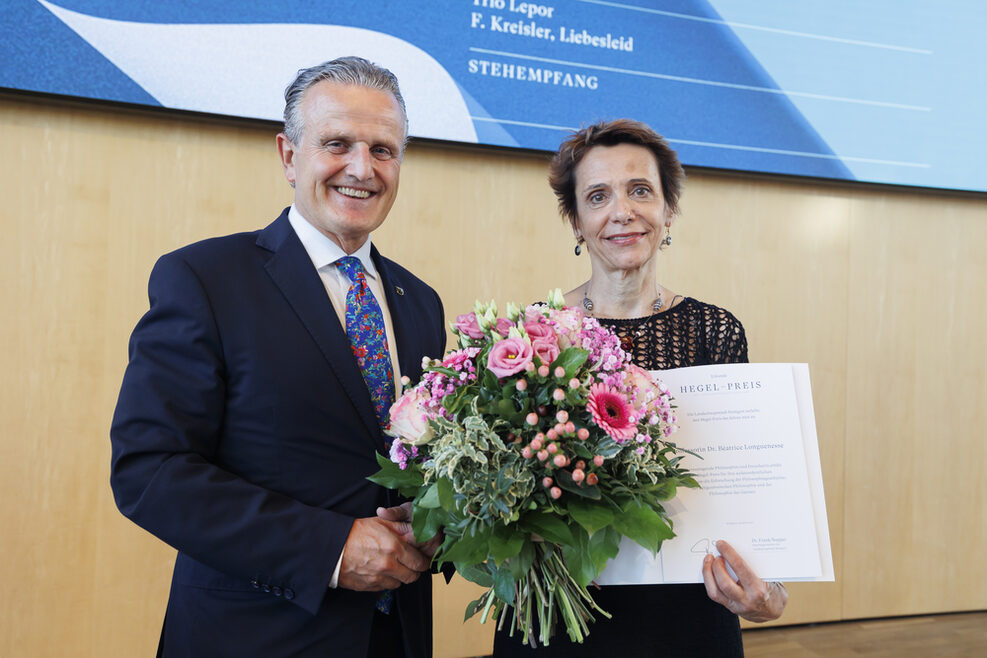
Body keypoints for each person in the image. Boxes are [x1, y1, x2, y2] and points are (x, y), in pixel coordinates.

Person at [110, 57, 446, 657]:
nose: (362, 169)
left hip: (393, 638)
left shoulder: (420, 303)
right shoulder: (204, 278)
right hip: (252, 636)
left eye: (383, 150)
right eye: (337, 144)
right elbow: (150, 471)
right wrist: (330, 547)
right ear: (289, 156)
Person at [493, 119, 788, 656]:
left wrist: (772, 588)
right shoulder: (532, 333)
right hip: (561, 611)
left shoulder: (716, 331)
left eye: (640, 191)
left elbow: (740, 486)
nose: (621, 211)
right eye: (598, 196)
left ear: (668, 210)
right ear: (576, 220)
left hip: (686, 614)